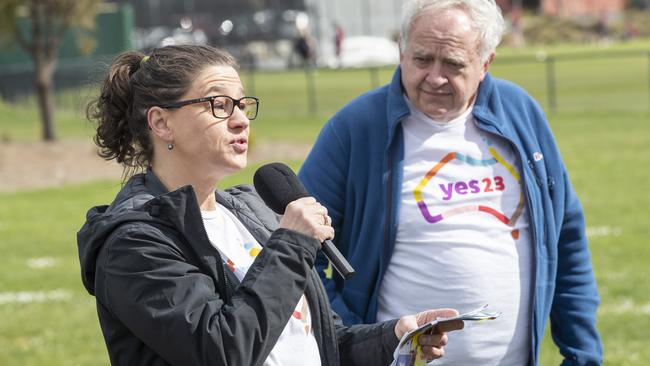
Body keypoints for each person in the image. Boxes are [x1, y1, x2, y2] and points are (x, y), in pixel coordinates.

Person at [77, 44, 463, 366]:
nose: (241, 120)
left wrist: (394, 336)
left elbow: (320, 344)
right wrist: (292, 244)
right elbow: (224, 350)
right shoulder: (134, 243)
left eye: (243, 105)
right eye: (219, 104)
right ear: (161, 123)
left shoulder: (249, 212)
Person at [298, 0, 603, 365]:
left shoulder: (521, 114)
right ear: (402, 50)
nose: (435, 77)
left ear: (485, 63)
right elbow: (298, 250)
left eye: (454, 64)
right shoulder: (355, 129)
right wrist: (351, 338)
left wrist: (582, 354)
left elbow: (565, 237)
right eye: (422, 59)